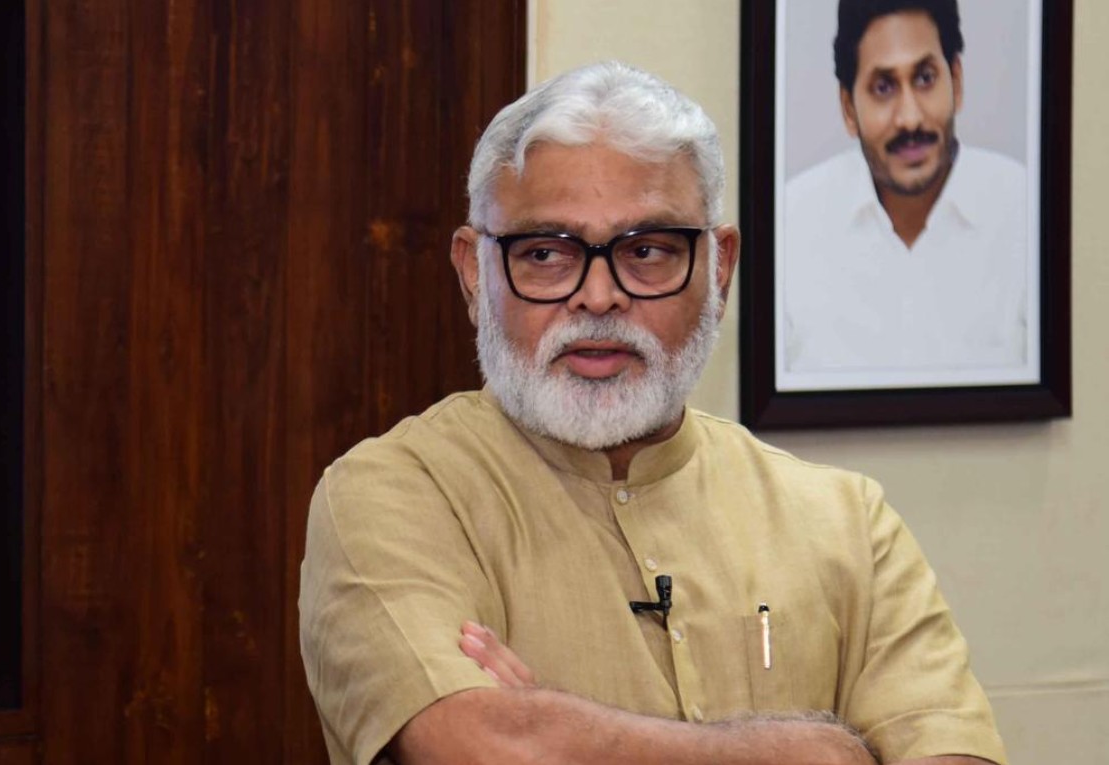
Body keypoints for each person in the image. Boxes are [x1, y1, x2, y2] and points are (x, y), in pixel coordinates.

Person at [299, 60, 1007, 765]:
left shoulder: (846, 522)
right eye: (545, 253)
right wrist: (805, 750)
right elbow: (477, 745)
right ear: (473, 274)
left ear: (718, 270)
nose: (598, 296)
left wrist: (562, 729)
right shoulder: (391, 496)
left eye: (646, 251)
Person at [783, 0, 1030, 383]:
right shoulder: (791, 226)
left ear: (957, 82)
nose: (910, 118)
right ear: (849, 108)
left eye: (925, 78)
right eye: (883, 87)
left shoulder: (1026, 211)